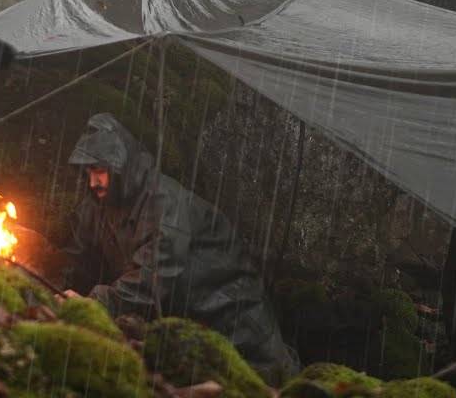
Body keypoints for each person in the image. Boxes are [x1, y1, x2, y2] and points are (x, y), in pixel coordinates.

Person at [61, 113, 300, 380]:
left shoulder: (165, 202)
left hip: (231, 313)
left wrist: (99, 302)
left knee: (273, 381)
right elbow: (76, 260)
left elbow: (155, 276)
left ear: (120, 165)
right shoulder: (96, 208)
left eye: (99, 170)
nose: (93, 182)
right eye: (87, 172)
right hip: (187, 324)